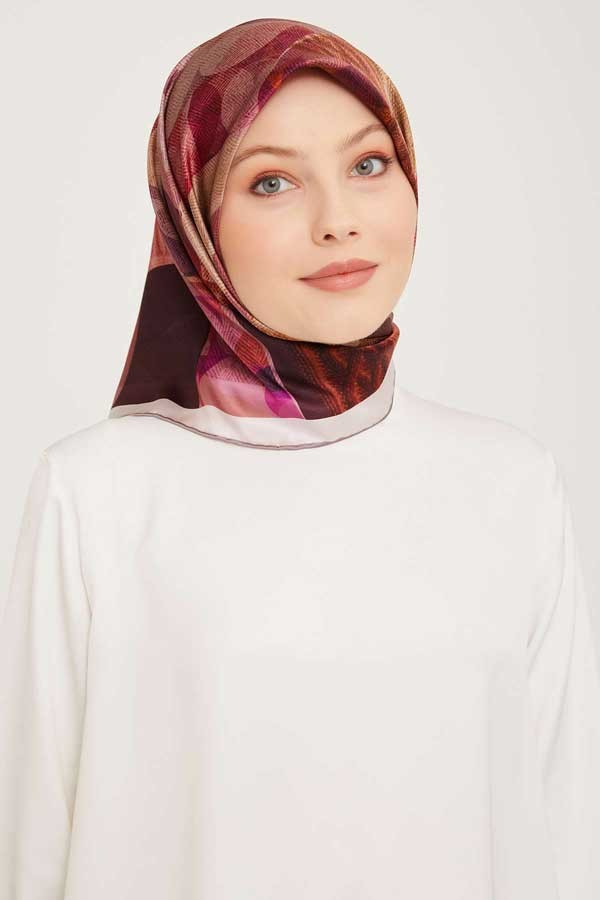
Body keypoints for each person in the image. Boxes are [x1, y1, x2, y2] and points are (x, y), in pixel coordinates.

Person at [1, 16, 599, 900]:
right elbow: (34, 849)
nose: (339, 221)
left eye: (369, 165)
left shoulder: (514, 485)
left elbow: (564, 837)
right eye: (272, 181)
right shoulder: (96, 495)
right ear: (194, 222)